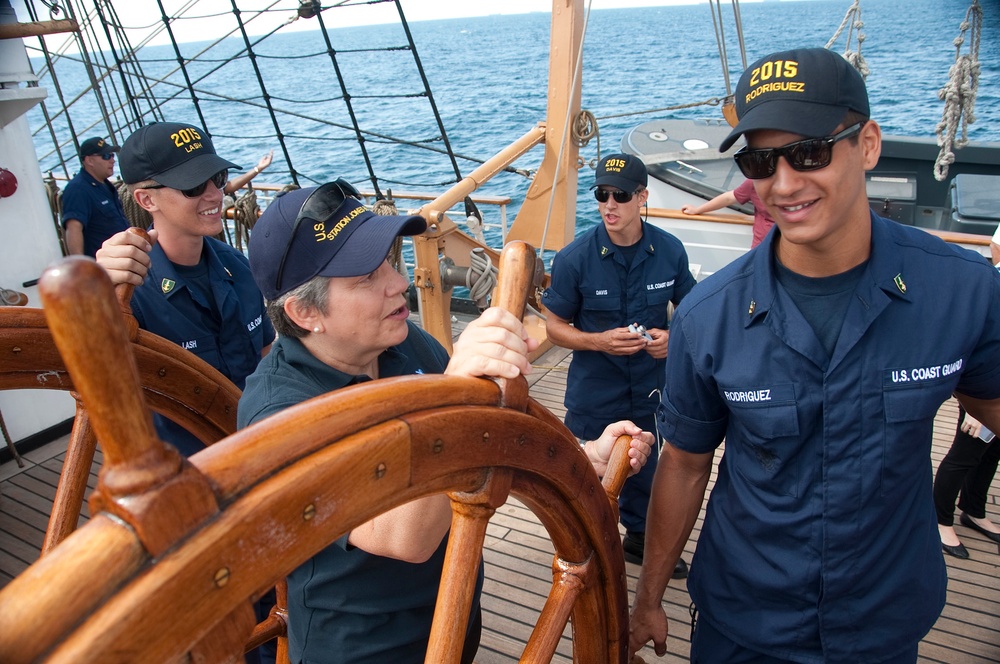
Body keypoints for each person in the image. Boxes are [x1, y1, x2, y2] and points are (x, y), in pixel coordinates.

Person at [629, 47, 1000, 664]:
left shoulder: (962, 291)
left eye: (809, 153)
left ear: (869, 144)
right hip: (743, 621)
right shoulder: (708, 316)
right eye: (760, 161)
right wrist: (647, 597)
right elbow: (686, 465)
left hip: (880, 623)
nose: (784, 183)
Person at [237, 181, 655, 664]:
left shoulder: (405, 345)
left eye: (391, 262)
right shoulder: (276, 414)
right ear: (305, 312)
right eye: (366, 278)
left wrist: (583, 458)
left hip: (452, 627)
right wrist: (461, 389)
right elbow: (402, 538)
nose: (399, 282)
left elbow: (489, 441)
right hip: (363, 650)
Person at [541, 153, 696, 578]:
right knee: (585, 475)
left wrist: (674, 338)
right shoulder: (574, 259)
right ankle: (584, 550)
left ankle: (640, 542)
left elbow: (689, 308)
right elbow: (554, 327)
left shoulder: (669, 250)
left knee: (647, 468)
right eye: (601, 195)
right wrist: (598, 341)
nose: (610, 205)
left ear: (642, 197)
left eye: (621, 195)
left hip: (650, 386)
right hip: (596, 391)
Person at [95, 121, 275, 458]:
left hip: (260, 450)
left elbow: (266, 358)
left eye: (218, 179)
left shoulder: (238, 266)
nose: (214, 194)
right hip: (187, 473)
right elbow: (96, 381)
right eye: (193, 187)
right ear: (146, 198)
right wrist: (96, 291)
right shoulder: (128, 293)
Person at [934, 406, 1000, 559]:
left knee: (991, 455)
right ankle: (941, 521)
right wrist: (973, 409)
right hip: (983, 399)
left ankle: (973, 511)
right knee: (962, 458)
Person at [61, 136, 131, 257]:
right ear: (89, 161)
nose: (112, 160)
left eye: (112, 155)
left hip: (123, 258)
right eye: (106, 156)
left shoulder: (106, 186)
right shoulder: (78, 189)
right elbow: (74, 229)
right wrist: (82, 266)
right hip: (103, 265)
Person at [680, 177, 776, 248]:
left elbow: (728, 198)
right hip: (762, 249)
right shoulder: (755, 182)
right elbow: (728, 198)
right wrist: (697, 210)